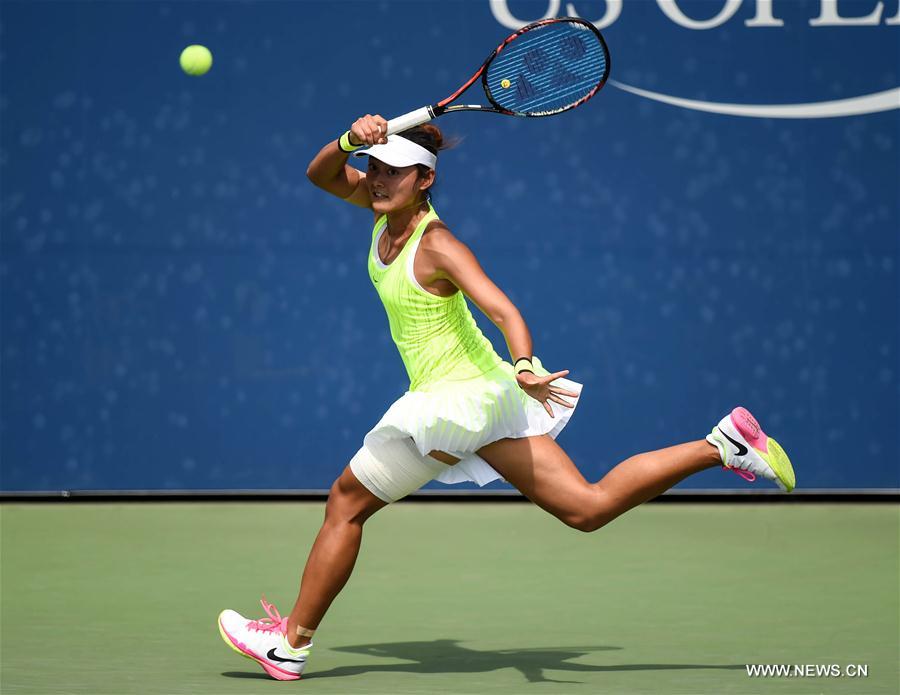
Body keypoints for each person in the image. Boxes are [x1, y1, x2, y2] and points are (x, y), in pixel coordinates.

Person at [217, 114, 796, 681]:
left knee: (346, 504)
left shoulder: (438, 244)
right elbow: (320, 173)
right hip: (482, 402)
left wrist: (524, 365)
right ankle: (722, 446)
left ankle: (291, 644)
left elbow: (503, 310)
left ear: (425, 180)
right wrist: (349, 139)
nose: (377, 177)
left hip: (459, 401)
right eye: (373, 167)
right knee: (586, 508)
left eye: (395, 170)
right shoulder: (381, 216)